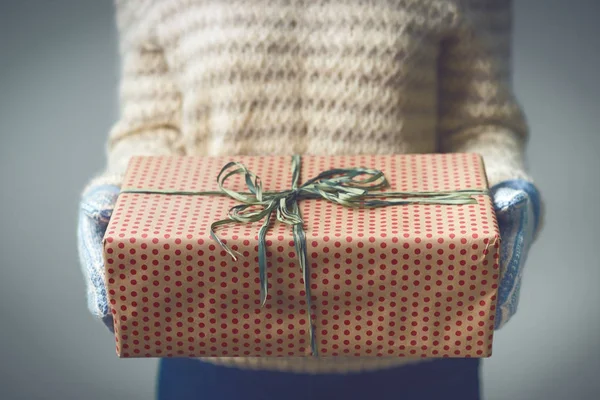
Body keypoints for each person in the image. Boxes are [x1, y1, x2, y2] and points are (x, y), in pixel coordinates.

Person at [77, 1, 543, 399]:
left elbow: (481, 123)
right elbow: (150, 129)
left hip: (419, 338)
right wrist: (115, 195)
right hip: (212, 345)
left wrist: (508, 191)